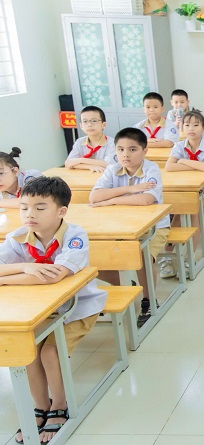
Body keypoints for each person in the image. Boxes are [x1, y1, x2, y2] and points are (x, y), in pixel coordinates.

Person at [1, 176, 107, 445]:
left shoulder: (75, 236)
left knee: (49, 352)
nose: (30, 214)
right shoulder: (17, 237)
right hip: (39, 308)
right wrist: (26, 267)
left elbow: (55, 275)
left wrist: (5, 278)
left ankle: (60, 405)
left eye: (40, 208)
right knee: (28, 350)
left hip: (77, 307)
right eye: (24, 207)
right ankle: (41, 405)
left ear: (61, 211)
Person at [89, 128, 170, 327]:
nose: (126, 154)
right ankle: (127, 284)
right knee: (93, 256)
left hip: (154, 227)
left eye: (133, 149)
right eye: (121, 149)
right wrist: (129, 189)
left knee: (141, 256)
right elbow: (94, 197)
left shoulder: (151, 169)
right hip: (119, 227)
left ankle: (149, 300)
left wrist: (111, 200)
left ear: (144, 151)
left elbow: (146, 199)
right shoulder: (112, 169)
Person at [165, 111, 204, 214]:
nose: (191, 129)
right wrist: (199, 166)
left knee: (190, 207)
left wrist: (183, 161)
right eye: (187, 125)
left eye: (196, 125)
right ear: (182, 127)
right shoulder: (179, 146)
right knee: (184, 206)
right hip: (186, 188)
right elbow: (169, 167)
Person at [64, 106, 115, 172]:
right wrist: (89, 166)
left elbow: (109, 163)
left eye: (94, 121)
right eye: (85, 121)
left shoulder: (112, 143)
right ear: (81, 126)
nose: (89, 125)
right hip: (84, 176)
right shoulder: (79, 142)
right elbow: (68, 163)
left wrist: (80, 160)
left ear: (104, 125)